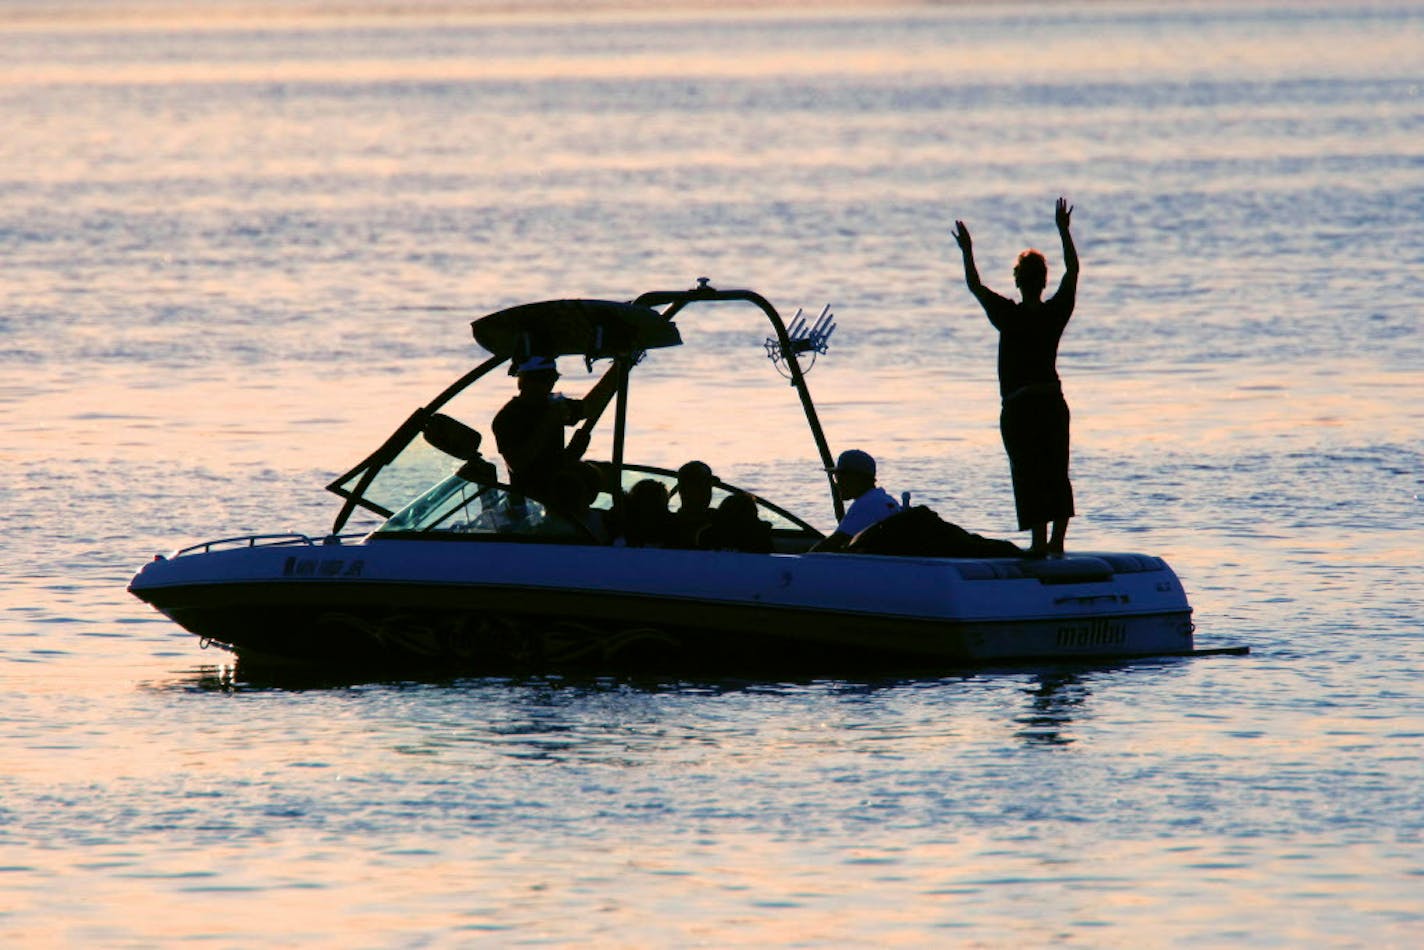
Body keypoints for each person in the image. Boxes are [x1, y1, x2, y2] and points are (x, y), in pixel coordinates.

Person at [952, 197, 1079, 557]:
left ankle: (1040, 543)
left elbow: (974, 285)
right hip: (1052, 404)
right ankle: (1056, 541)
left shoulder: (1008, 315)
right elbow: (1073, 273)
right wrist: (1063, 232)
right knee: (1056, 471)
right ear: (1042, 281)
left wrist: (967, 250)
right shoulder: (1054, 313)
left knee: (1028, 474)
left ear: (1017, 281)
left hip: (1022, 408)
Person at [491, 356, 603, 501]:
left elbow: (589, 408)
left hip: (559, 496)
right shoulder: (507, 417)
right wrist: (549, 422)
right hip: (532, 502)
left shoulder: (552, 405)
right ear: (523, 381)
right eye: (543, 379)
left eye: (553, 378)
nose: (550, 385)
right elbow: (517, 464)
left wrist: (618, 367)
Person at [809, 449, 901, 553]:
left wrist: (803, 560)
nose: (837, 484)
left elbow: (835, 542)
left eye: (840, 477)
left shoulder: (867, 505)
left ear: (857, 477)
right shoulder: (884, 499)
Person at [670, 460, 717, 549]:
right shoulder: (666, 527)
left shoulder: (722, 522)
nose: (705, 492)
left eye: (708, 486)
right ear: (682, 490)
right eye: (698, 486)